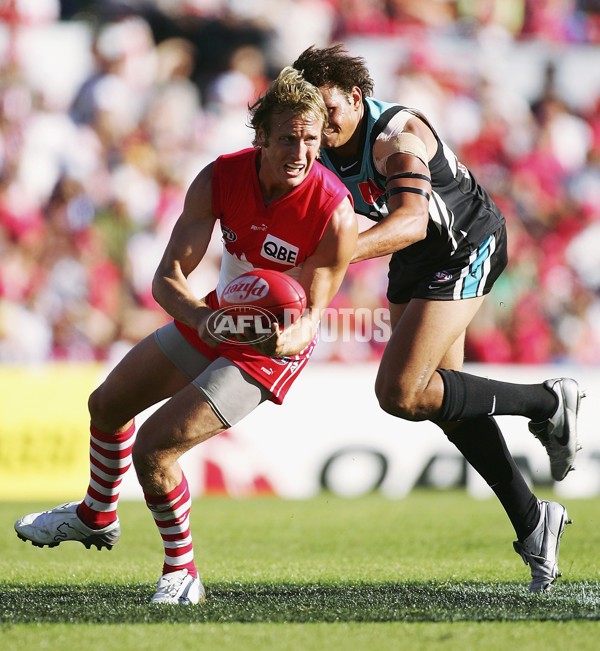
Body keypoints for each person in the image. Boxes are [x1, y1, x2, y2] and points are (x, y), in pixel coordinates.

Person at [14, 67, 358, 605]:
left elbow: (311, 316)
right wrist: (204, 320)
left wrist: (279, 341)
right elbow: (167, 277)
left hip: (274, 346)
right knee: (106, 405)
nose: (299, 151)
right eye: (288, 138)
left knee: (154, 448)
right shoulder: (219, 177)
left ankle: (183, 572)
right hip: (219, 316)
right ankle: (97, 515)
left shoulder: (335, 212)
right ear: (261, 136)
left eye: (311, 139)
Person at [292, 45, 585, 592]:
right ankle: (533, 521)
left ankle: (548, 402)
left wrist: (332, 256)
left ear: (356, 98)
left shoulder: (396, 138)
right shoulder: (321, 141)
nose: (324, 125)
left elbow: (410, 220)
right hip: (418, 259)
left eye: (331, 109)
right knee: (443, 401)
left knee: (401, 393)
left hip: (465, 244)